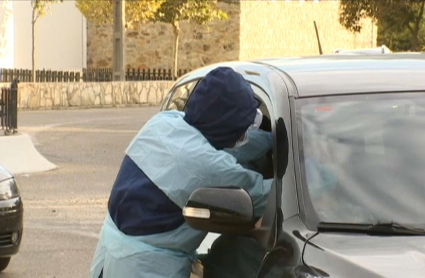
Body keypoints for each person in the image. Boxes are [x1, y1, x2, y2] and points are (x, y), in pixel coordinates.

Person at [89, 67, 273, 278]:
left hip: (108, 258)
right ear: (229, 125)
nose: (246, 134)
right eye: (245, 125)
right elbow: (269, 194)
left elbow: (224, 144)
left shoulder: (164, 122)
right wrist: (316, 173)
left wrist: (271, 140)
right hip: (145, 269)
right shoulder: (208, 167)